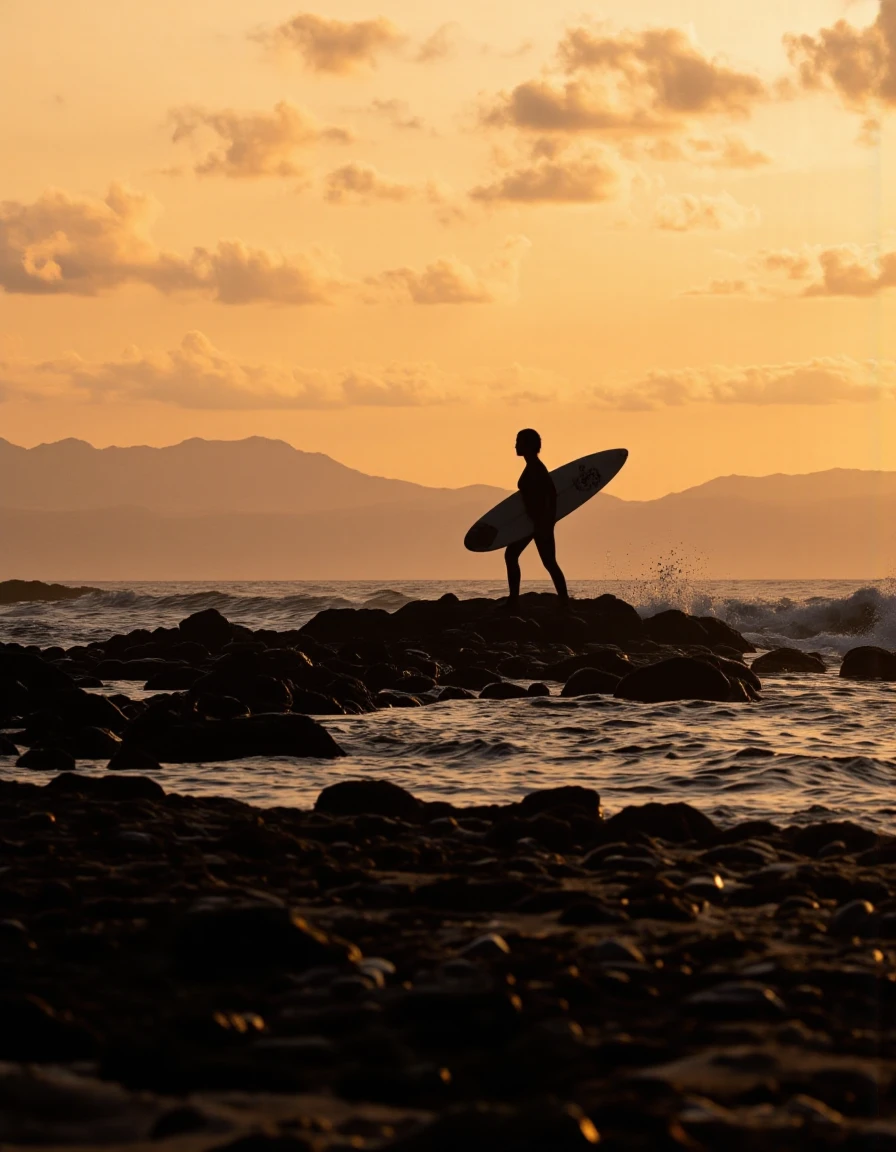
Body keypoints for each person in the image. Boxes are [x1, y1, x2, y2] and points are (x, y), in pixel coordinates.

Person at [505, 428, 569, 609]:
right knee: (514, 555)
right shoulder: (532, 466)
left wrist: (546, 522)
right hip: (532, 523)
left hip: (539, 523)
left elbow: (551, 494)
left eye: (519, 442)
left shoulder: (537, 469)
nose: (515, 445)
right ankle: (514, 600)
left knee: (547, 562)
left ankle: (565, 603)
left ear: (528, 445)